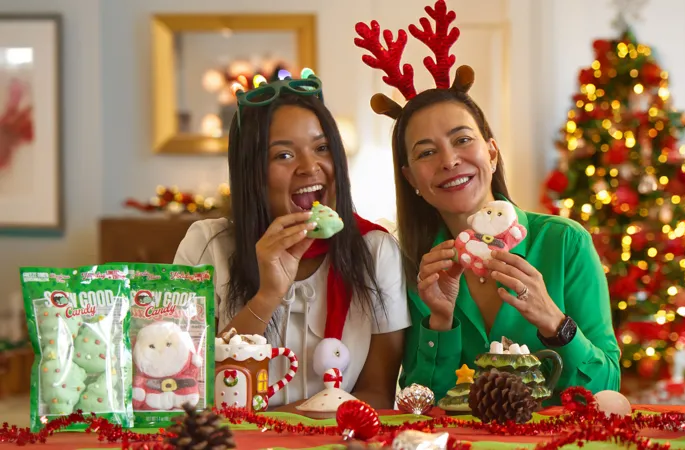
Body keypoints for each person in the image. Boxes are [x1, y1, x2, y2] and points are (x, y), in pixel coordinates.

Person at [354, 1, 620, 404]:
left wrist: (553, 320)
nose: (449, 161)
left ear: (492, 153)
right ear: (411, 180)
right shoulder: (411, 267)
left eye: (462, 140)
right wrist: (440, 321)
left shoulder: (565, 243)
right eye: (426, 152)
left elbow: (607, 389)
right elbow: (421, 403)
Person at [173, 70, 410, 410]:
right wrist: (267, 294)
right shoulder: (207, 246)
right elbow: (186, 384)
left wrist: (286, 425)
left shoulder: (375, 251)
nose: (310, 167)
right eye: (283, 155)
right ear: (251, 170)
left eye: (322, 147)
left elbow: (377, 395)